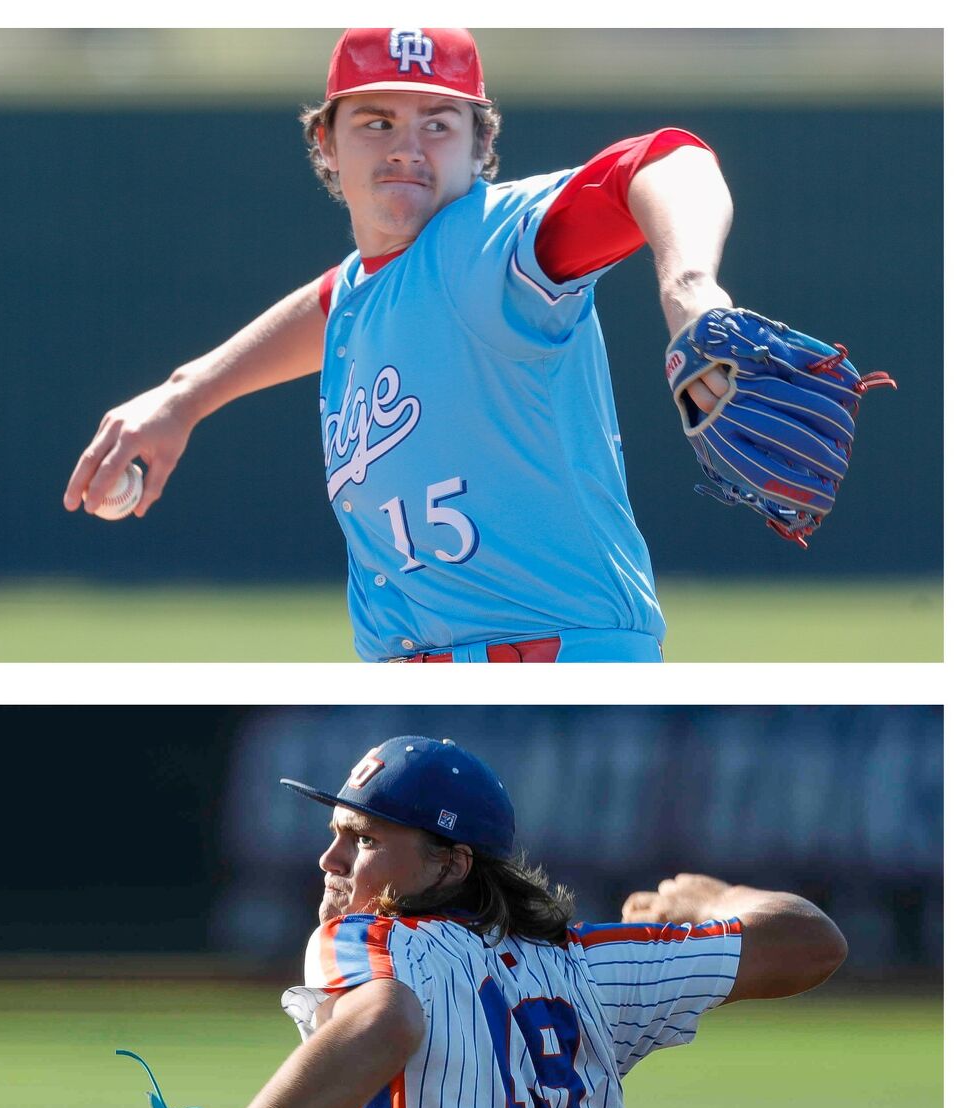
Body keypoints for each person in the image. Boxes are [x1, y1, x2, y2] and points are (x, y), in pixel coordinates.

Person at [64, 28, 805, 662]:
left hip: (554, 657)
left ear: (481, 143)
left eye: (438, 123)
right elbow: (335, 298)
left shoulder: (491, 240)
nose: (407, 148)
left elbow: (667, 160)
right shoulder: (370, 288)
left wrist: (691, 289)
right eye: (377, 122)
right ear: (326, 142)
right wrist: (186, 394)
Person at [165, 735, 844, 1108]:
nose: (330, 859)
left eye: (366, 840)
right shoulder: (592, 966)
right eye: (338, 831)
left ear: (452, 865)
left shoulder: (372, 938)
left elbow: (386, 1019)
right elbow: (811, 942)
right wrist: (716, 902)